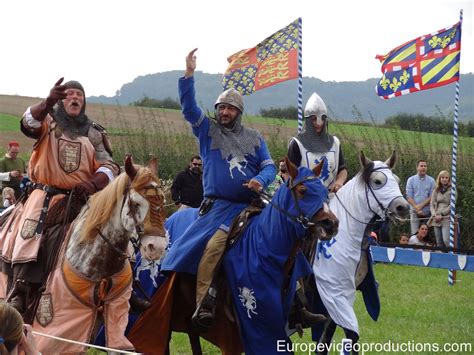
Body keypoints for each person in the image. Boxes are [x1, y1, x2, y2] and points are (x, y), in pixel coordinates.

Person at [160, 48, 276, 330]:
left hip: (251, 206)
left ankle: (295, 301)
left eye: (230, 108)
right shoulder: (207, 130)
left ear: (239, 112)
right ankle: (204, 304)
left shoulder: (254, 138)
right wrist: (189, 75)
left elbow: (270, 167)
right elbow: (189, 109)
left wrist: (260, 180)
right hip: (219, 209)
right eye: (221, 107)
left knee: (284, 237)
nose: (224, 112)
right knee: (213, 249)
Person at [0, 78, 119, 318]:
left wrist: (93, 183)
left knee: (114, 234)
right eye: (70, 94)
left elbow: (110, 166)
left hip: (82, 198)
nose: (75, 98)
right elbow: (27, 123)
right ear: (62, 99)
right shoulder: (49, 122)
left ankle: (120, 287)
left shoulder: (94, 132)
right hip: (44, 196)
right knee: (32, 232)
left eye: (79, 95)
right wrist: (47, 102)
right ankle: (21, 289)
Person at [287, 92, 348, 193]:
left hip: (332, 196)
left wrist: (339, 182)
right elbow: (289, 174)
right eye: (314, 119)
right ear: (308, 120)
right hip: (307, 198)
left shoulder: (335, 143)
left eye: (322, 119)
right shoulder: (297, 144)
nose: (318, 123)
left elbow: (342, 169)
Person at [406, 160, 435, 235]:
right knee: (415, 233)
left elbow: (432, 196)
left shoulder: (431, 180)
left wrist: (421, 206)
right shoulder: (411, 180)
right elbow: (409, 197)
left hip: (427, 212)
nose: (423, 168)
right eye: (421, 166)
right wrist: (417, 208)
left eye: (425, 166)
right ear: (417, 168)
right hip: (414, 211)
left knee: (426, 235)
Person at [429, 170, 454, 247]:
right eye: (442, 177)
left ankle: (450, 256)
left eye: (446, 177)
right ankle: (441, 257)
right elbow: (431, 204)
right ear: (439, 179)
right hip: (436, 218)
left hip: (446, 217)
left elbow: (452, 205)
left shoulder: (452, 190)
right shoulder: (436, 190)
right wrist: (434, 215)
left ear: (449, 179)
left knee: (446, 240)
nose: (444, 179)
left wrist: (442, 214)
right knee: (439, 242)